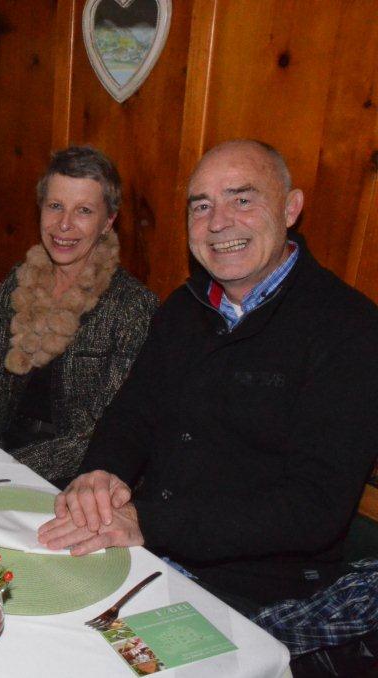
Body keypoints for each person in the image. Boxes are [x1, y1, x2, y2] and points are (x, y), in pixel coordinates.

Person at [38, 140, 378, 621]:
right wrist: (101, 472)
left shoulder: (350, 329)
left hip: (259, 594)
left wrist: (146, 521)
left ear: (290, 208)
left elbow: (313, 509)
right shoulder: (183, 307)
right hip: (155, 554)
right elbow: (133, 413)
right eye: (201, 206)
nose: (218, 223)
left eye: (242, 199)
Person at [0, 146, 157, 487]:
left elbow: (101, 435)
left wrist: (4, 470)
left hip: (78, 479)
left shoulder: (132, 307)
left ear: (108, 222)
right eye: (55, 206)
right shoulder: (19, 281)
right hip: (0, 458)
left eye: (83, 210)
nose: (64, 225)